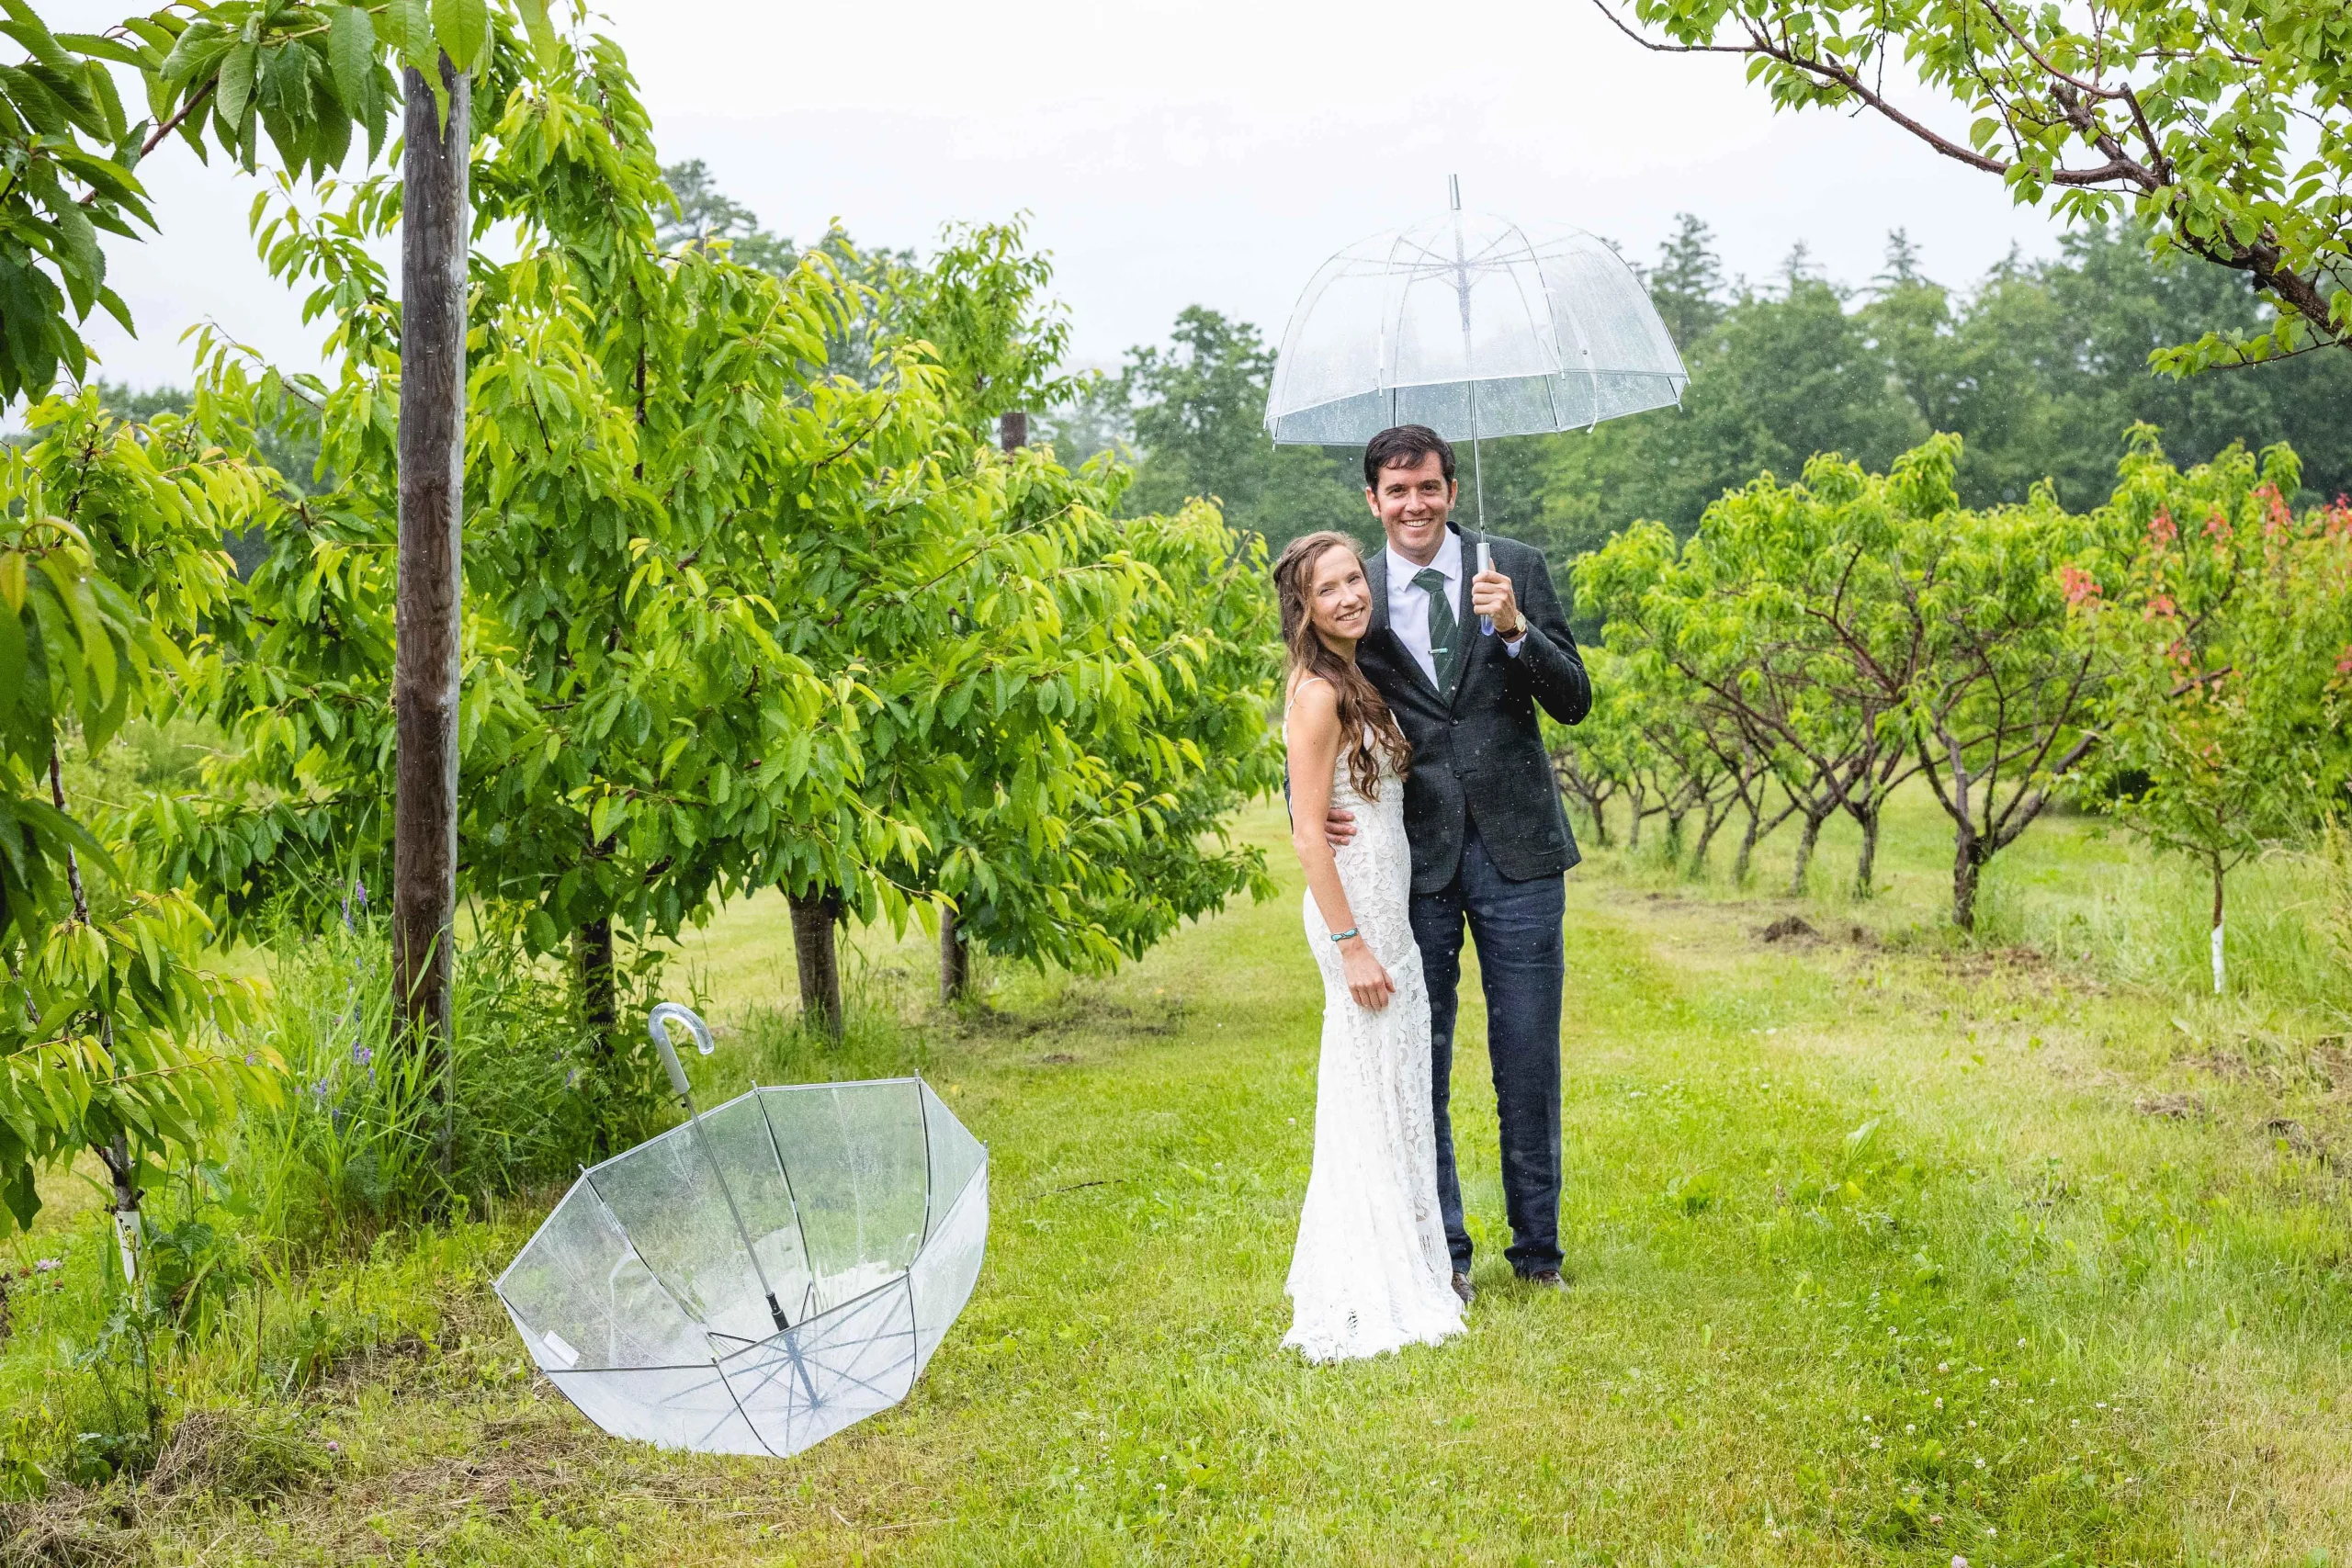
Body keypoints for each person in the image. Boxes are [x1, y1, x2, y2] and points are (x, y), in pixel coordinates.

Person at [1326, 424, 1591, 1299]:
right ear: (1373, 500)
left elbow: (1575, 699)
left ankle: (1539, 1253)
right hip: (1414, 856)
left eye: (1429, 488)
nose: (1415, 505)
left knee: (1527, 1055)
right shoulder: (1351, 589)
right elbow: (1311, 698)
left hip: (1520, 852)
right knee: (1419, 1056)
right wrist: (1310, 807)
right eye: (1396, 492)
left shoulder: (1511, 565)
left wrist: (1516, 629)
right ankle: (1446, 1253)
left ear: (1450, 489)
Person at [1273, 529, 1466, 1362]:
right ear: (1304, 608)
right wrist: (1351, 944)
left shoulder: (1354, 675)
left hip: (1387, 903)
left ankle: (1416, 1258)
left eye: (1356, 578)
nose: (1351, 595)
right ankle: (1370, 1273)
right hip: (1356, 912)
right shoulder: (1318, 692)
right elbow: (1309, 835)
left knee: (1394, 1083)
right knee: (1368, 1084)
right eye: (1329, 589)